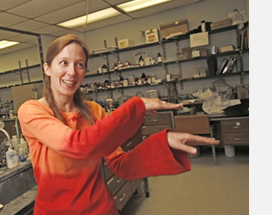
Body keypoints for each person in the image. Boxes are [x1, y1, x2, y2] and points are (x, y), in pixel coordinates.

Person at [17, 34, 219, 215]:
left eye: (79, 64)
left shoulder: (94, 110)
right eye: (63, 62)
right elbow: (77, 145)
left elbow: (121, 165)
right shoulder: (32, 110)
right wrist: (134, 107)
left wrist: (162, 142)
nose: (72, 72)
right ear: (47, 69)